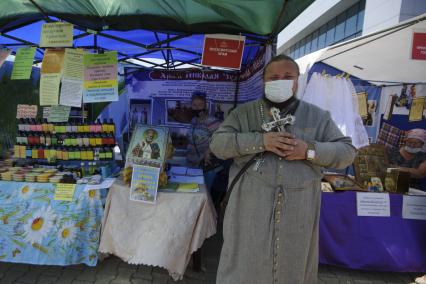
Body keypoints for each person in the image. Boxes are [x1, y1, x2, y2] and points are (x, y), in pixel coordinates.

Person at [210, 54, 357, 284]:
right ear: (264, 81)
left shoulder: (317, 117)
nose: (281, 80)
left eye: (287, 76)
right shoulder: (243, 114)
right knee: (244, 268)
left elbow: (347, 152)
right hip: (250, 211)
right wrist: (261, 141)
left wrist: (308, 150)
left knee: (293, 269)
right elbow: (218, 145)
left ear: (297, 80)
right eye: (274, 77)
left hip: (297, 214)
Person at [186, 91, 222, 169]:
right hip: (190, 163)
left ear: (205, 106)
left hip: (205, 165)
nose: (197, 108)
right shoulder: (193, 120)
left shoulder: (213, 121)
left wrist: (209, 151)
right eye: (194, 105)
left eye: (200, 105)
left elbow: (221, 140)